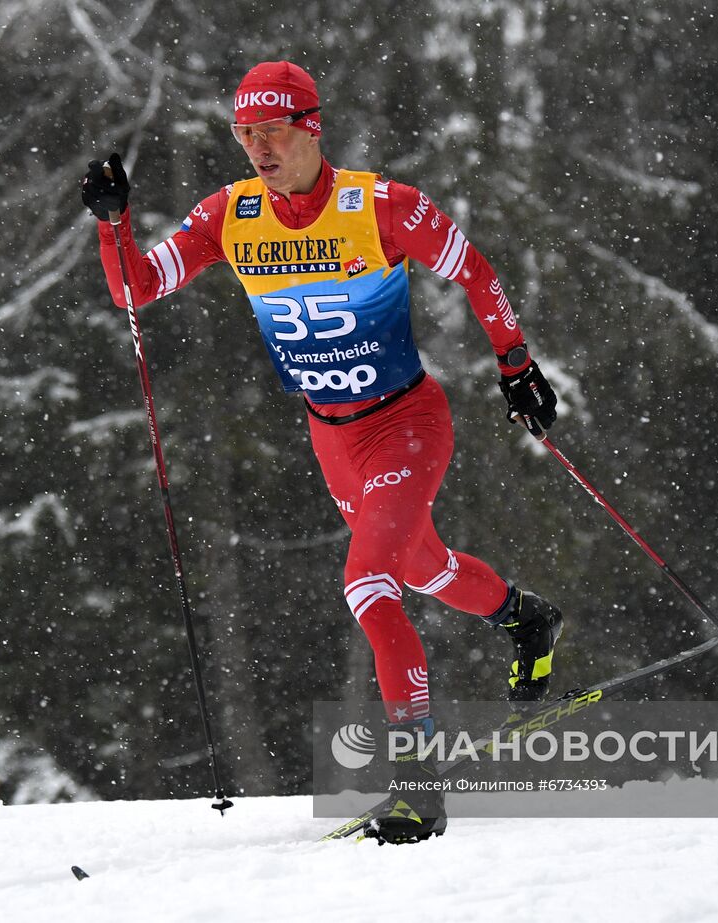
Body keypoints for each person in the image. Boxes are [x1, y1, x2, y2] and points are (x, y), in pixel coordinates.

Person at [83, 61, 563, 844]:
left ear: (312, 127)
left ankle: (417, 788)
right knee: (419, 567)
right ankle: (525, 617)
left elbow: (476, 273)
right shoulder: (230, 215)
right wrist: (112, 220)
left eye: (273, 131)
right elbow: (136, 288)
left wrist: (517, 366)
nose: (259, 149)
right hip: (332, 436)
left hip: (406, 423)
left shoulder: (381, 206)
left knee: (368, 581)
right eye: (246, 134)